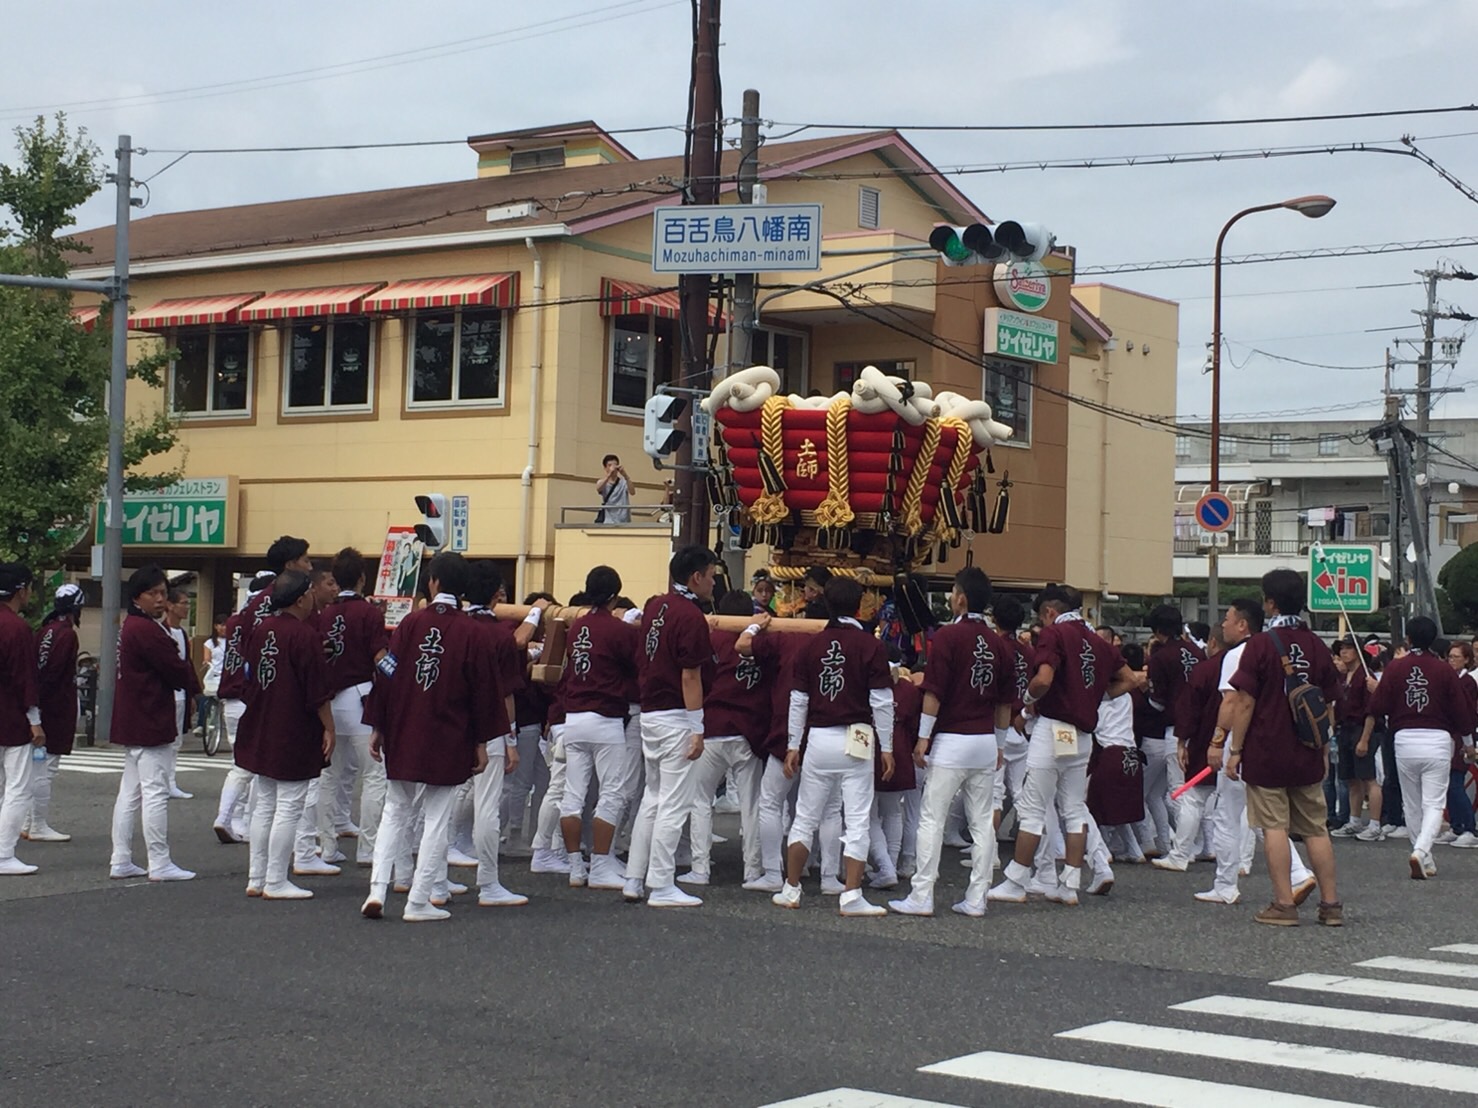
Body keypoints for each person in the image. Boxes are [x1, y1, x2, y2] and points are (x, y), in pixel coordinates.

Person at [361, 552, 499, 922]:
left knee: (396, 810)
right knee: (437, 817)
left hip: (405, 728)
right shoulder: (473, 632)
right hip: (449, 734)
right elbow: (484, 692)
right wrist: (482, 741)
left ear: (433, 582)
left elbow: (386, 673)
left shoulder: (409, 624)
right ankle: (419, 899)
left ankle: (377, 890)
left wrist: (377, 724)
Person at [988, 585, 1134, 907]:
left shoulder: (1054, 635)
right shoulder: (1098, 640)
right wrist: (1095, 695)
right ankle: (1069, 883)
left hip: (1052, 728)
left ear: (1049, 612)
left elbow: (1042, 679)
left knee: (1031, 808)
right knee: (1073, 808)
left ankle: (1016, 880)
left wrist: (1026, 702)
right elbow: (1130, 679)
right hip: (1082, 735)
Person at [1217, 568, 1341, 926]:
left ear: (1269, 602)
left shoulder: (1259, 646)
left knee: (1274, 827)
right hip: (1306, 751)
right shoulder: (1317, 644)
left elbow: (1244, 702)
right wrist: (1323, 749)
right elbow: (1329, 703)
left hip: (1267, 750)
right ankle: (1331, 905)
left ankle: (1284, 904)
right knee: (1316, 828)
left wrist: (1235, 749)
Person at [890, 567, 1010, 918]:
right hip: (985, 741)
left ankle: (922, 894)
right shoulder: (999, 644)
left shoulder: (946, 638)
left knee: (932, 818)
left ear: (960, 598)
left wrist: (923, 738)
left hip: (951, 740)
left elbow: (934, 693)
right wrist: (1000, 745)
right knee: (982, 821)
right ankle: (977, 897)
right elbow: (1004, 703)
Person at [773, 576, 895, 917]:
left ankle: (790, 888)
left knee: (805, 817)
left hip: (818, 739)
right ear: (860, 606)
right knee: (856, 819)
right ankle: (852, 895)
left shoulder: (811, 646)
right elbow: (882, 702)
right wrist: (887, 747)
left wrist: (793, 744)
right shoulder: (871, 646)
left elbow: (798, 700)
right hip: (857, 737)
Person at [624, 546, 717, 908]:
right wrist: (697, 726)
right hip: (678, 714)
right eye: (710, 575)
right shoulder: (690, 616)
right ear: (696, 577)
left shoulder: (656, 606)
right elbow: (691, 674)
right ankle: (661, 883)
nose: (713, 582)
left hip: (650, 712)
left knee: (653, 798)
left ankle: (634, 877)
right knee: (674, 803)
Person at [235, 571, 336, 899]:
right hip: (292, 726)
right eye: (308, 593)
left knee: (265, 803)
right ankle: (276, 879)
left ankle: (257, 877)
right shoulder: (304, 635)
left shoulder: (262, 628)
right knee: (289, 804)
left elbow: (248, 676)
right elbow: (317, 690)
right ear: (300, 598)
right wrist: (329, 727)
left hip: (261, 720)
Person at [1361, 616, 1477, 879]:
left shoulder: (1395, 668)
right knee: (1434, 803)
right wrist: (1468, 744)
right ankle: (1422, 851)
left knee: (1411, 803)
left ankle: (1425, 857)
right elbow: (1462, 712)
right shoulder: (1444, 670)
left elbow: (1378, 706)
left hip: (1404, 741)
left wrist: (1376, 690)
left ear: (1409, 640)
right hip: (1437, 741)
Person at [109, 565, 203, 881]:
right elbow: (176, 669)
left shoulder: (132, 626)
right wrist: (193, 686)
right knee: (154, 793)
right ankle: (159, 862)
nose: (161, 599)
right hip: (150, 716)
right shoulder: (147, 630)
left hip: (133, 717)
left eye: (163, 592)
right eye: (154, 593)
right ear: (138, 596)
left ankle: (121, 859)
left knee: (131, 793)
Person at [559, 565, 639, 891]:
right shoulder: (619, 630)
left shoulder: (577, 626)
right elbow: (635, 664)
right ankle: (603, 863)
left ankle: (576, 866)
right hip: (606, 719)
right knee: (611, 793)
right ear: (615, 595)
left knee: (572, 795)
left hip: (573, 718)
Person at [680, 590, 766, 888]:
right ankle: (753, 870)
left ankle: (700, 868)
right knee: (752, 804)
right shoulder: (759, 641)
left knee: (700, 800)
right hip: (748, 730)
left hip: (712, 726)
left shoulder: (712, 639)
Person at [464, 563, 536, 907]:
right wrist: (510, 740)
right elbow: (507, 694)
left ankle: (432, 882)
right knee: (487, 805)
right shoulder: (499, 636)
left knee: (441, 804)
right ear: (496, 595)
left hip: (452, 726)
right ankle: (488, 882)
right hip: (490, 728)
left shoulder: (456, 627)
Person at [317, 548, 391, 867]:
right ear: (363, 578)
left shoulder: (324, 614)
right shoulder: (369, 613)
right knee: (375, 775)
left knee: (328, 776)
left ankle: (326, 846)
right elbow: (379, 658)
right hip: (361, 697)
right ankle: (368, 848)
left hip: (330, 702)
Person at [1145, 606, 1207, 870]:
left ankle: (1184, 849)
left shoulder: (1161, 657)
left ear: (1158, 631)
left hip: (1175, 728)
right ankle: (1203, 845)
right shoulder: (1197, 652)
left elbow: (1157, 701)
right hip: (1200, 725)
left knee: (1177, 790)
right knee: (1196, 792)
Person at [26, 583, 84, 844]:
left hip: (39, 707)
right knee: (46, 768)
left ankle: (27, 821)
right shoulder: (67, 634)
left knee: (34, 767)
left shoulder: (45, 630)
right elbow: (54, 674)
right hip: (55, 708)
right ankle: (37, 824)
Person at [0, 564, 44, 875]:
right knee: (18, 786)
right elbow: (24, 678)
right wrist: (35, 719)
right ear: (21, 590)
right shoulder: (16, 628)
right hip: (11, 716)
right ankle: (3, 853)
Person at [1329, 639, 1381, 841]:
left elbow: (1372, 711)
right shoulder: (1342, 677)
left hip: (1362, 728)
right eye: (1341, 649)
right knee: (1350, 778)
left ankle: (1375, 824)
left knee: (1369, 778)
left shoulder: (1366, 676)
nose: (1343, 652)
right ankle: (1354, 820)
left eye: (1348, 648)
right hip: (1344, 729)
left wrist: (1365, 739)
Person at [162, 586, 195, 800]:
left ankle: (171, 781)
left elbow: (187, 664)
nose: (186, 608)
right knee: (164, 742)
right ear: (170, 606)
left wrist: (191, 693)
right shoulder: (161, 630)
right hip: (166, 694)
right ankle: (163, 781)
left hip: (181, 694)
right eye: (183, 603)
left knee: (176, 741)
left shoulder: (182, 633)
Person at [196, 614, 227, 734]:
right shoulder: (209, 643)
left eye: (226, 625)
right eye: (221, 625)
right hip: (214, 675)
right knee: (206, 697)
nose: (224, 628)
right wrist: (206, 662)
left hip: (227, 676)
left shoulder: (233, 642)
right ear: (216, 626)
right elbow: (207, 658)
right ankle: (201, 724)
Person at [595, 454, 632, 525]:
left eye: (615, 465)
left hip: (624, 521)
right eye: (609, 465)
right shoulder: (602, 482)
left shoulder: (624, 482)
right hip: (609, 521)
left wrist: (625, 475)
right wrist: (609, 475)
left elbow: (632, 492)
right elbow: (598, 488)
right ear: (605, 468)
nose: (613, 468)